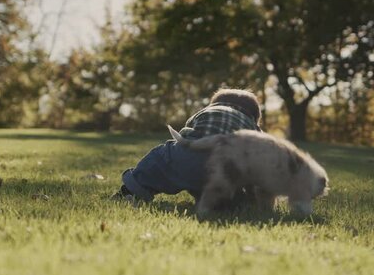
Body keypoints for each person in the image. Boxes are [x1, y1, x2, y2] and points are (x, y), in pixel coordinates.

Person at [112, 88, 262, 205]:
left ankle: (131, 191)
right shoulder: (254, 129)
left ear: (214, 104)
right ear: (255, 118)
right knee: (236, 194)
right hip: (224, 170)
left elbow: (186, 134)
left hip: (190, 155)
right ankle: (232, 204)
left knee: (160, 159)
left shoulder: (207, 111)